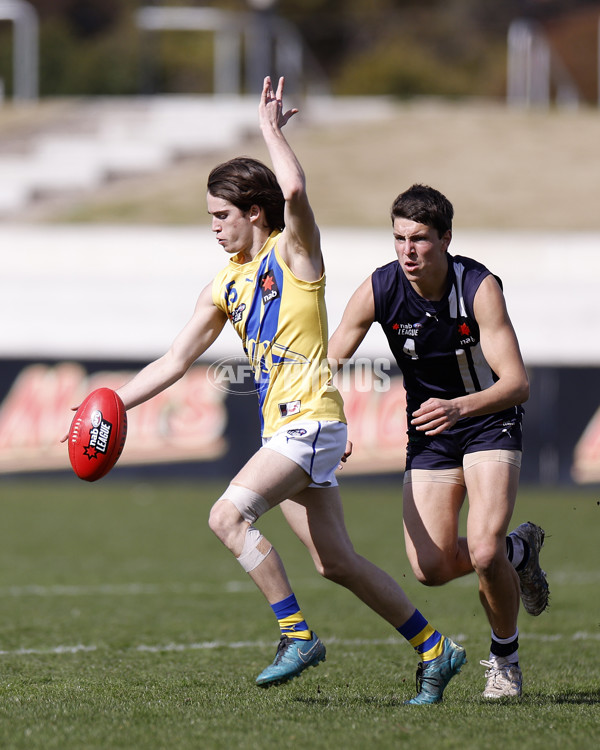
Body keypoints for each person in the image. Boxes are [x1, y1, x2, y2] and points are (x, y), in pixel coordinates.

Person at [88, 79, 468, 704]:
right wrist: (107, 404)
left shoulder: (294, 254)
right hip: (290, 430)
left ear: (254, 214)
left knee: (226, 515)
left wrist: (270, 131)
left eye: (222, 216)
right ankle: (436, 649)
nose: (213, 227)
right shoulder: (224, 283)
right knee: (337, 563)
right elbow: (177, 358)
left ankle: (297, 634)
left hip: (309, 421)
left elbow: (293, 190)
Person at [328, 183, 549, 700]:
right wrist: (329, 418)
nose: (408, 250)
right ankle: (522, 548)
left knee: (484, 548)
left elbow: (517, 383)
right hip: (431, 432)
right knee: (429, 568)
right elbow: (330, 358)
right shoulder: (380, 287)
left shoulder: (477, 287)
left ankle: (505, 659)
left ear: (446, 239)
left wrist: (458, 407)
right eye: (400, 238)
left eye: (421, 239)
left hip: (487, 419)